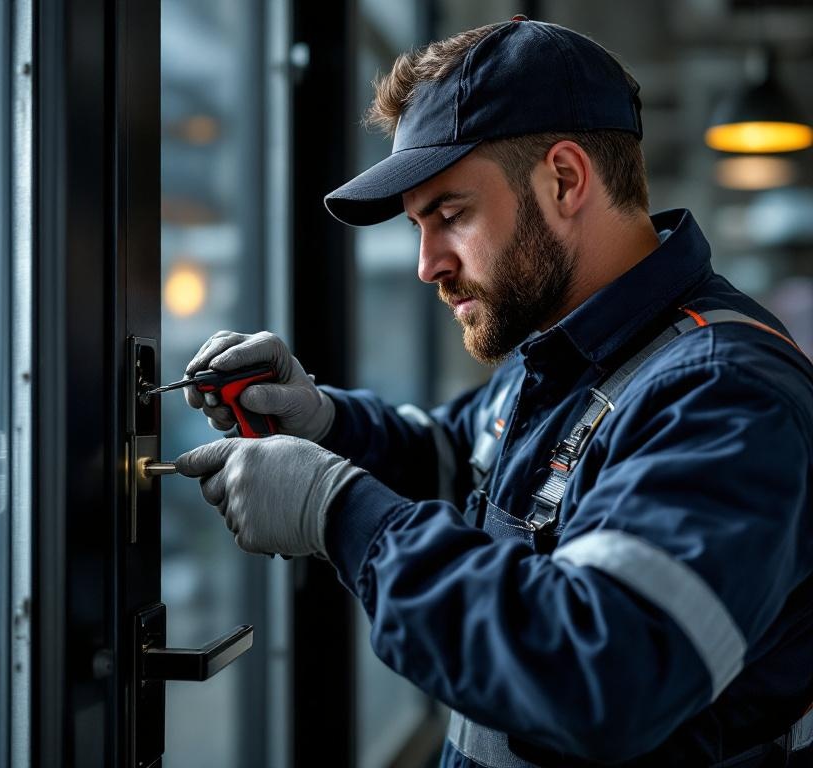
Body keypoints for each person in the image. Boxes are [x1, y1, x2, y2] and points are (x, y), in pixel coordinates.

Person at [174, 17, 813, 767]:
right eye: (418, 226)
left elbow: (596, 674)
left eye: (449, 215)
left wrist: (339, 511)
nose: (426, 265)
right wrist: (326, 422)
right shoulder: (562, 350)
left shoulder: (722, 392)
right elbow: (461, 462)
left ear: (566, 180)